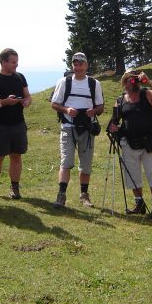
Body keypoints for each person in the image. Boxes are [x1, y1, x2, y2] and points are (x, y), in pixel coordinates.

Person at [108, 70, 152, 220]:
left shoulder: (147, 94)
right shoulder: (120, 100)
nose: (133, 82)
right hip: (129, 143)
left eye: (135, 79)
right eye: (129, 79)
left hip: (150, 142)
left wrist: (148, 81)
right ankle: (140, 204)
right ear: (124, 83)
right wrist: (113, 127)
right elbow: (114, 121)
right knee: (132, 174)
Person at [50, 52, 104, 208]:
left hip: (87, 129)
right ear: (72, 65)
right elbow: (54, 104)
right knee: (66, 162)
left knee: (86, 165)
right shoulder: (64, 82)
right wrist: (66, 110)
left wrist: (93, 112)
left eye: (81, 63)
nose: (78, 67)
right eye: (75, 64)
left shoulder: (94, 84)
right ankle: (61, 196)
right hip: (68, 127)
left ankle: (84, 195)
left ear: (86, 65)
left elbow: (100, 106)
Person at [0, 48, 31, 199]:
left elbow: (28, 96)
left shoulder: (20, 77)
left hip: (18, 123)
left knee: (16, 156)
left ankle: (15, 188)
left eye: (16, 62)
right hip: (0, 125)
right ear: (3, 62)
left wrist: (26, 102)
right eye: (13, 62)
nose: (16, 65)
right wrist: (5, 102)